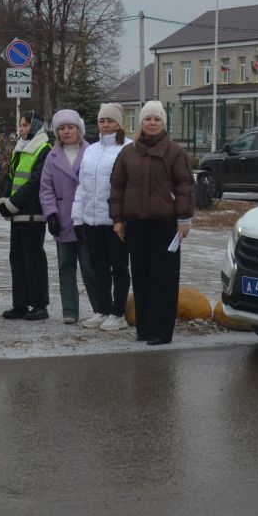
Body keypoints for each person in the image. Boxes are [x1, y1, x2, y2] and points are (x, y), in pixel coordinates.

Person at [110, 101, 195, 346]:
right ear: (141, 123)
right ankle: (144, 328)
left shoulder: (175, 152)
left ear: (163, 123)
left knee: (164, 277)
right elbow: (117, 187)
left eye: (157, 119)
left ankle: (161, 331)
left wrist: (184, 219)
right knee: (141, 275)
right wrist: (118, 219)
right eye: (148, 119)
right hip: (136, 223)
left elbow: (185, 186)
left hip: (166, 224)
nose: (152, 123)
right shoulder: (128, 152)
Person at [75, 103, 132, 331]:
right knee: (98, 266)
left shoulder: (128, 149)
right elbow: (82, 186)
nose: (106, 125)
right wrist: (78, 216)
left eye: (110, 120)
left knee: (118, 267)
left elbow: (128, 186)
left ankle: (118, 313)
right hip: (92, 218)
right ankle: (102, 309)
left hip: (115, 220)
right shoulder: (90, 150)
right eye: (102, 120)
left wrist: (124, 217)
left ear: (119, 123)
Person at [0, 113, 51, 321]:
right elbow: (10, 177)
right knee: (17, 259)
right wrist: (3, 200)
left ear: (35, 126)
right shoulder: (20, 148)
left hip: (32, 213)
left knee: (34, 259)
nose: (21, 129)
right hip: (17, 213)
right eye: (20, 125)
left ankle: (39, 304)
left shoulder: (43, 149)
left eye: (25, 125)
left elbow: (36, 181)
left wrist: (13, 203)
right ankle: (19, 303)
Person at [37, 110, 89, 325]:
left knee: (90, 267)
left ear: (79, 129)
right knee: (65, 266)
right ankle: (70, 310)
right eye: (62, 128)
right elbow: (45, 188)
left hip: (86, 219)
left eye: (70, 127)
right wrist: (50, 214)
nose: (66, 132)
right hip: (63, 218)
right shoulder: (52, 156)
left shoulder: (91, 152)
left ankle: (99, 307)